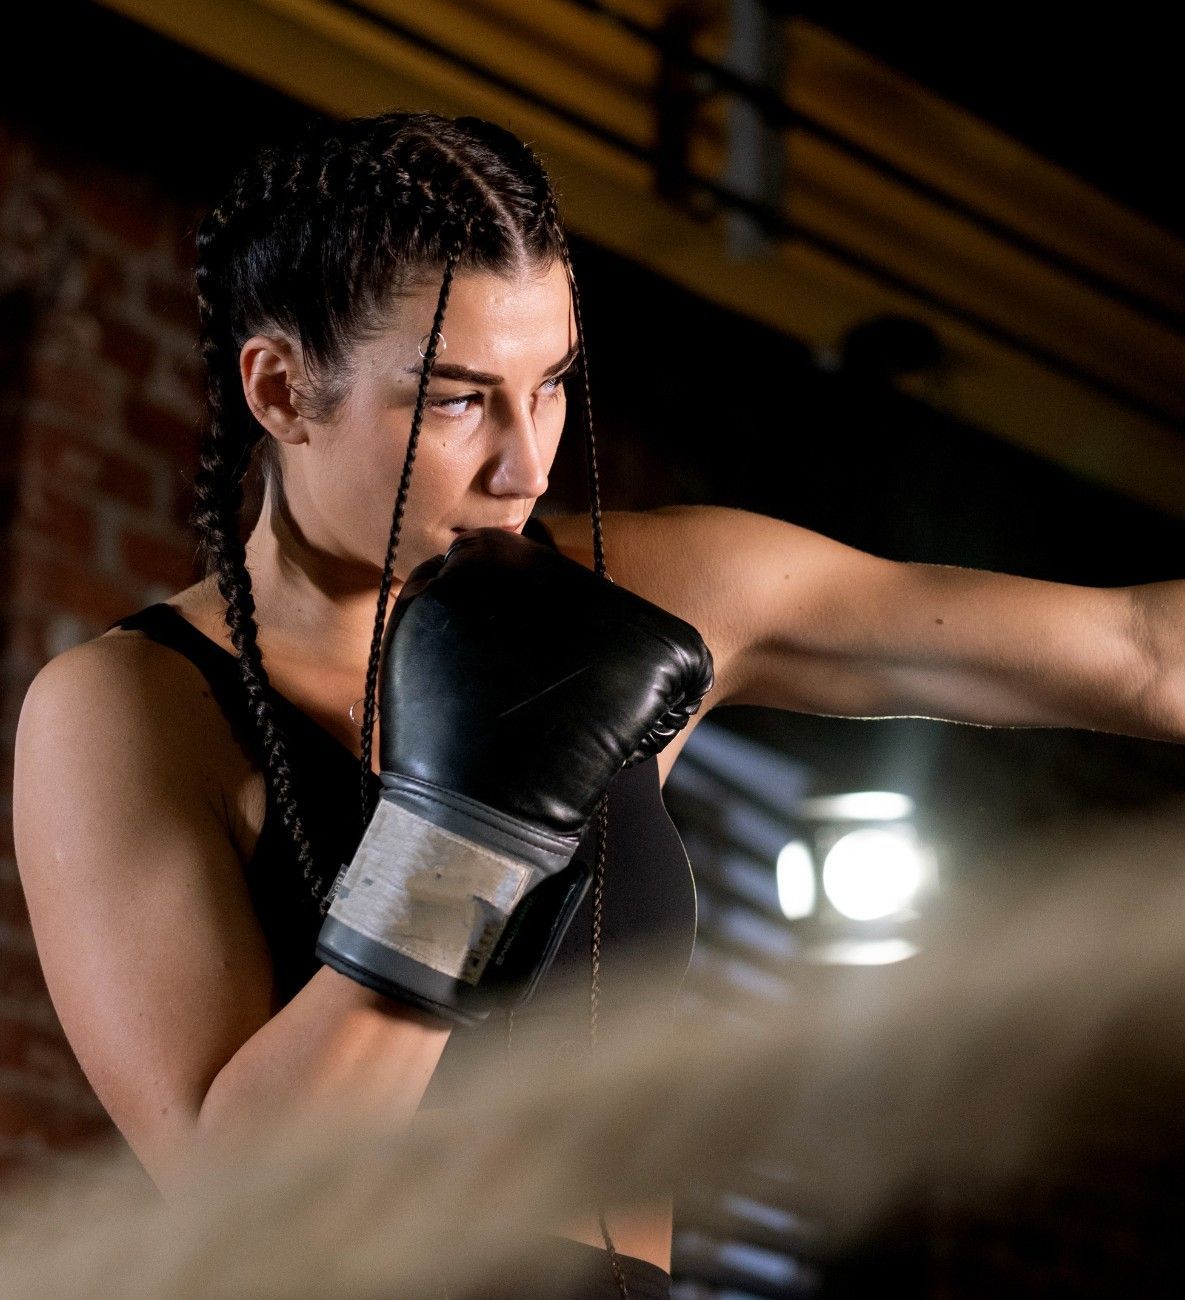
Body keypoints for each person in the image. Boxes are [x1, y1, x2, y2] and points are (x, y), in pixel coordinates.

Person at [10, 108, 1184, 1299]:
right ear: (279, 388)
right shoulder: (131, 706)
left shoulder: (643, 598)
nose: (527, 465)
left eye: (553, 384)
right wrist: (457, 842)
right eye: (459, 399)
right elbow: (236, 1210)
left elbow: (1145, 652)